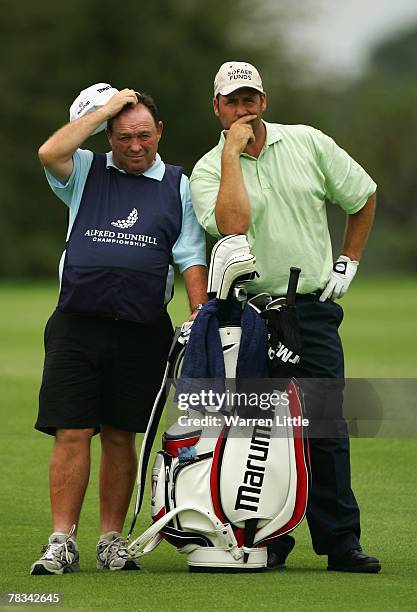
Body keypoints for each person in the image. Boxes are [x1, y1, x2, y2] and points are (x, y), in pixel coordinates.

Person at [189, 61, 381, 573]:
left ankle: (340, 542)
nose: (243, 108)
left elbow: (362, 196)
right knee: (257, 433)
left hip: (310, 312)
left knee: (325, 427)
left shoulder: (308, 142)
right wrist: (232, 152)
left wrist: (350, 259)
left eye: (250, 98)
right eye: (232, 101)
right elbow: (231, 227)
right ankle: (266, 537)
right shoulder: (210, 168)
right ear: (217, 108)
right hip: (247, 313)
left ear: (264, 101)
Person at [31, 87, 208, 575]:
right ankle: (61, 540)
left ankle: (111, 540)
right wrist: (107, 109)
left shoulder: (176, 183)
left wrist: (199, 310)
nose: (135, 145)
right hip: (77, 323)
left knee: (120, 435)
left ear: (160, 133)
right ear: (109, 135)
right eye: (124, 136)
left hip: (142, 327)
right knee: (71, 431)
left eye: (144, 135)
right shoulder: (85, 169)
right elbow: (50, 152)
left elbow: (190, 252)